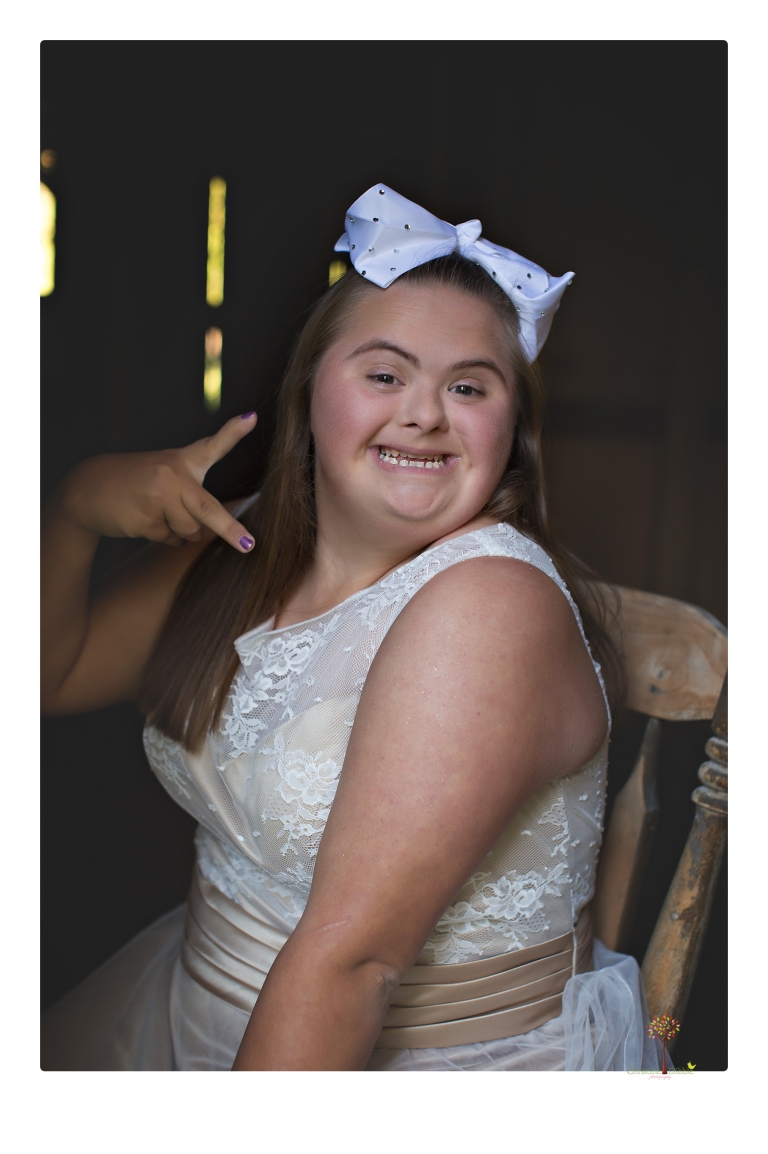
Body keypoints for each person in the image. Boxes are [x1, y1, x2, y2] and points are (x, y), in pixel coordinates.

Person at [41, 184, 664, 1071]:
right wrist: (72, 510)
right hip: (190, 1000)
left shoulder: (492, 607)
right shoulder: (246, 538)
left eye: (468, 386)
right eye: (384, 374)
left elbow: (351, 965)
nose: (424, 413)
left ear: (513, 430)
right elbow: (50, 676)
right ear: (309, 394)